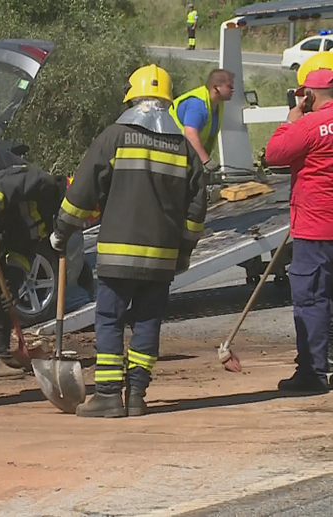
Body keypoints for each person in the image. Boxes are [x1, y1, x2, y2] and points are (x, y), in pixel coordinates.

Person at [50, 64, 207, 418]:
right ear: (168, 101)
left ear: (133, 97)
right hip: (162, 258)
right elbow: (197, 209)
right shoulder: (184, 148)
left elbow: (83, 191)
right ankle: (136, 394)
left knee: (109, 318)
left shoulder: (114, 137)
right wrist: (184, 251)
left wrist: (62, 229)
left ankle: (107, 395)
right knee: (148, 321)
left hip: (118, 254)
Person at [263, 58, 333, 394]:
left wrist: (290, 119)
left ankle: (314, 373)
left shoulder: (308, 126)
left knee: (311, 301)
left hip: (315, 228)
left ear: (306, 95)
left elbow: (275, 153)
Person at [0, 162, 61, 379]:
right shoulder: (41, 182)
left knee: (7, 293)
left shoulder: (53, 206)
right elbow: (0, 189)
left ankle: (1, 352)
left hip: (7, 240)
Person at [169, 68, 235, 176]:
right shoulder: (198, 105)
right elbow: (190, 134)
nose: (233, 90)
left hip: (186, 160)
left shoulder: (217, 104)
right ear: (216, 88)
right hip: (172, 157)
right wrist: (206, 161)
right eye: (229, 86)